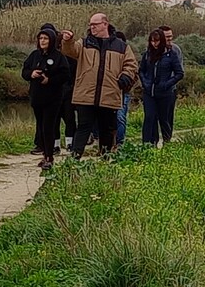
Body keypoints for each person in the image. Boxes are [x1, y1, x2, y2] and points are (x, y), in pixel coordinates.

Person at [63, 11, 138, 156]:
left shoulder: (121, 46)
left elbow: (131, 65)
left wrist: (125, 77)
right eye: (90, 25)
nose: (92, 28)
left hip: (109, 95)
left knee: (107, 129)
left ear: (105, 24)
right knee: (83, 127)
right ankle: (74, 160)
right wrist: (68, 40)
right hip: (86, 95)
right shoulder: (84, 43)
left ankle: (105, 159)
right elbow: (70, 51)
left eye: (95, 25)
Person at [23, 23, 73, 169]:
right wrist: (31, 74)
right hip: (37, 97)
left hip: (53, 98)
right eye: (41, 38)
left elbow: (65, 75)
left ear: (51, 40)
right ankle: (45, 153)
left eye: (45, 38)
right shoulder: (34, 55)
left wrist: (49, 80)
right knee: (41, 127)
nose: (43, 41)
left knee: (48, 127)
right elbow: (24, 71)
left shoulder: (58, 57)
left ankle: (49, 157)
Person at [140, 24, 185, 147]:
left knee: (164, 119)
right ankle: (148, 144)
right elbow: (141, 70)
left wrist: (166, 84)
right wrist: (145, 83)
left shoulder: (172, 53)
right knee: (149, 117)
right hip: (149, 92)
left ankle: (167, 142)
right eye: (152, 41)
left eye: (157, 41)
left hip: (166, 92)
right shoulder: (147, 54)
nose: (155, 44)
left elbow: (179, 73)